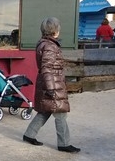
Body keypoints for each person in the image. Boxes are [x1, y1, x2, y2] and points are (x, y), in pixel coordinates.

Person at [23, 17, 80, 153]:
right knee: (60, 113)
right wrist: (51, 88)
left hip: (49, 82)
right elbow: (47, 68)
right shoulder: (50, 46)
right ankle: (64, 144)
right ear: (55, 30)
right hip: (52, 83)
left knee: (45, 111)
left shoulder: (44, 44)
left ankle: (29, 134)